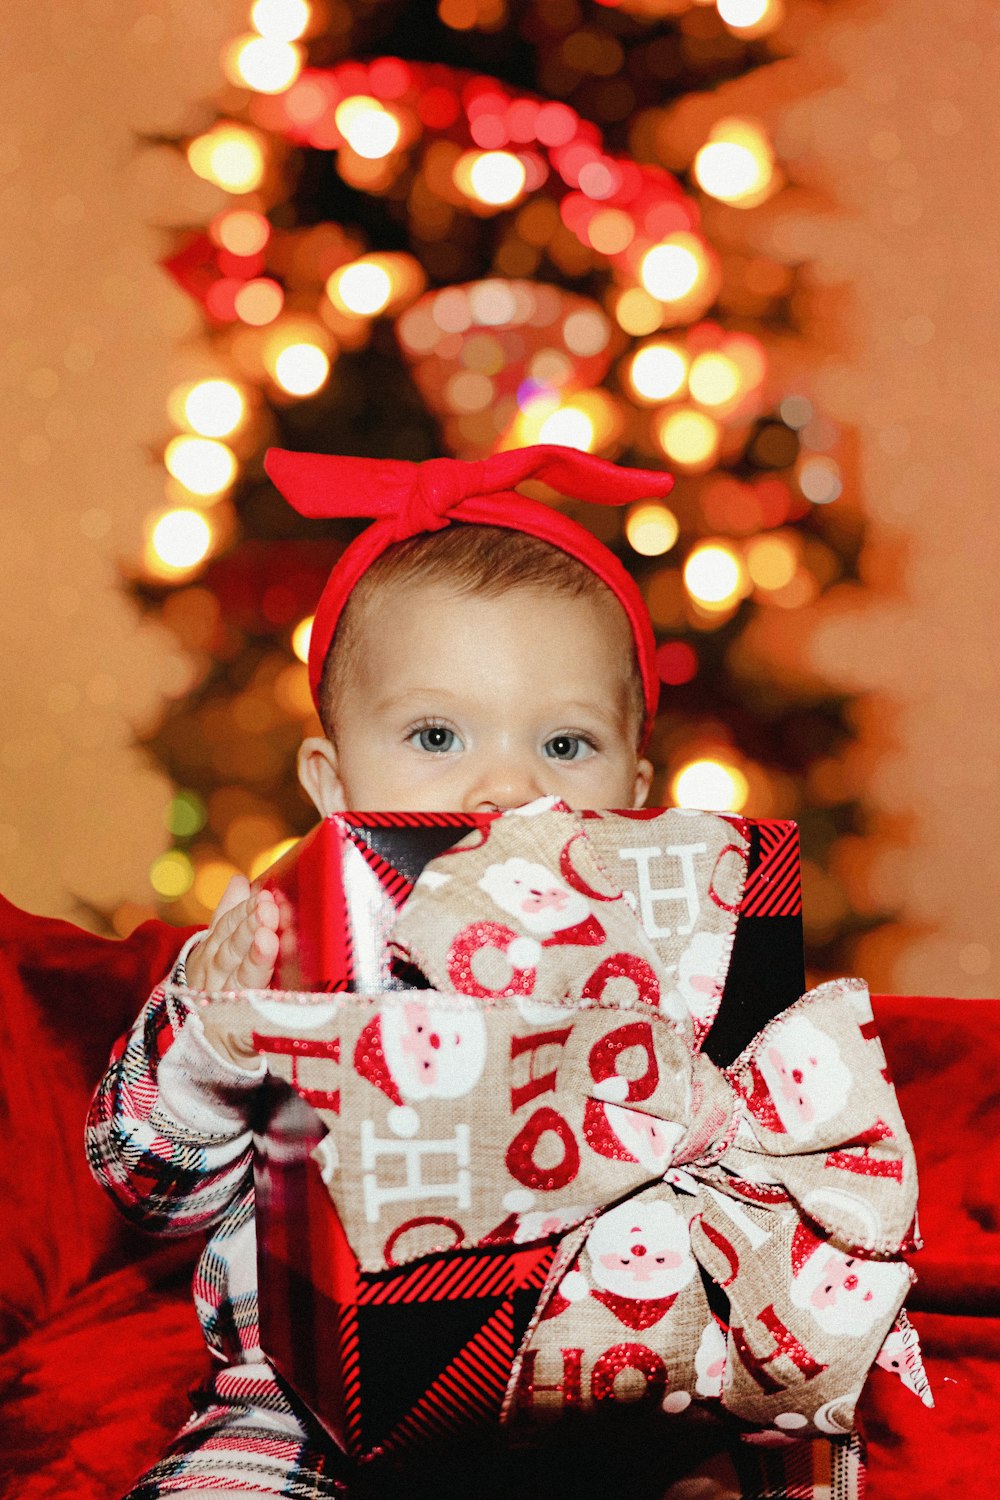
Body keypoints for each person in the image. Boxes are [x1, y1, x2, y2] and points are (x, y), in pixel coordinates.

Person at [86, 445, 678, 1499]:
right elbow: (144, 1185)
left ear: (637, 788)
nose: (504, 783)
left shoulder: (671, 960)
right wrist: (214, 1041)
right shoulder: (268, 949)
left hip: (593, 1405)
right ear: (333, 778)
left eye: (567, 744)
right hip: (297, 1405)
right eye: (437, 733)